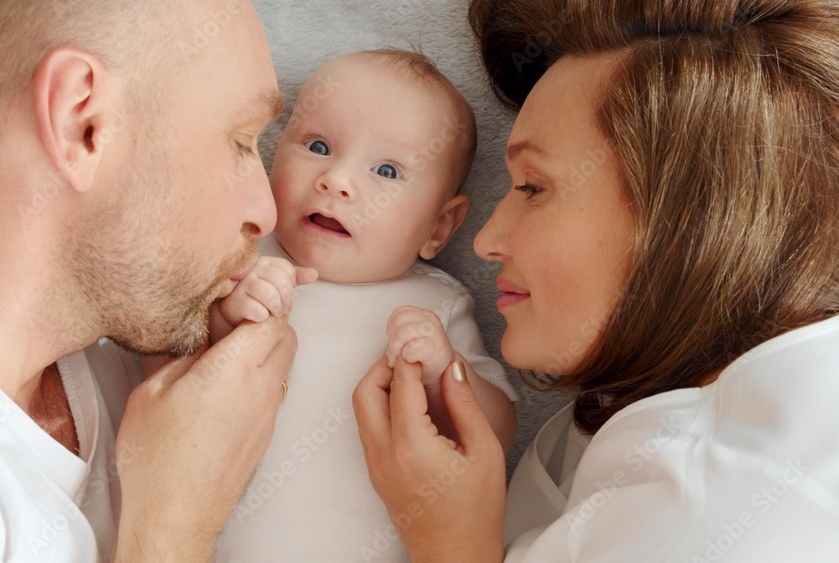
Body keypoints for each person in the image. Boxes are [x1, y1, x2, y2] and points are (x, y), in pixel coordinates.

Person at [353, 0, 839, 561]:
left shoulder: (732, 505)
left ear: (688, 218)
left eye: (532, 187)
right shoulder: (673, 416)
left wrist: (450, 539)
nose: (485, 239)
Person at [0, 1, 306, 561]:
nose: (267, 212)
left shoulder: (101, 338)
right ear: (81, 124)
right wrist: (172, 529)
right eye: (239, 141)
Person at [208, 50, 519, 561]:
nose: (338, 180)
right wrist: (226, 317)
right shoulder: (240, 255)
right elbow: (166, 361)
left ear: (440, 227)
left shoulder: (435, 303)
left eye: (387, 171)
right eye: (317, 145)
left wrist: (445, 373)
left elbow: (495, 435)